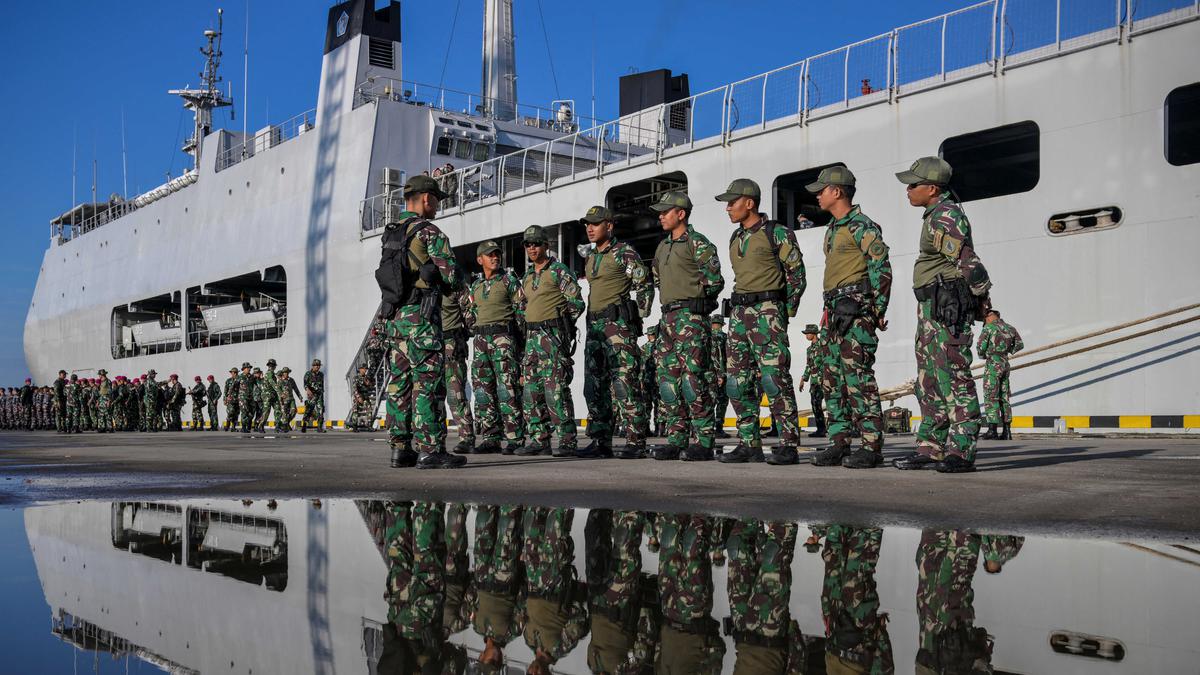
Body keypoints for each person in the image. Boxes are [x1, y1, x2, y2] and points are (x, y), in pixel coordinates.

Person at [893, 157, 992, 473]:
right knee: (930, 380)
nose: (908, 190)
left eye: (913, 184)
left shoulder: (945, 217)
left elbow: (970, 264)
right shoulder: (934, 215)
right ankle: (931, 447)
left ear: (932, 188)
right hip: (933, 308)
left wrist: (984, 309)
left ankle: (961, 451)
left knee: (954, 377)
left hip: (947, 309)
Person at [805, 166, 893, 469]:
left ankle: (871, 446)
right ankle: (839, 442)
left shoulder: (863, 226)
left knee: (859, 379)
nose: (818, 195)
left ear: (837, 191)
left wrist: (876, 310)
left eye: (822, 189)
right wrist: (825, 312)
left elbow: (881, 268)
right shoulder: (832, 228)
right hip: (834, 313)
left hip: (856, 313)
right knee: (832, 381)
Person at [376, 174, 466, 469]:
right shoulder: (429, 232)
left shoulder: (392, 232)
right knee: (428, 383)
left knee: (399, 384)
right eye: (436, 200)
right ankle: (430, 449)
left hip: (396, 319)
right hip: (422, 318)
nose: (438, 206)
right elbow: (452, 277)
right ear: (426, 198)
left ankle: (400, 448)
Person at [715, 178, 806, 464]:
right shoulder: (735, 237)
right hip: (739, 315)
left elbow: (796, 274)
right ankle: (749, 443)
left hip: (768, 312)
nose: (728, 208)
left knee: (773, 377)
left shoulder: (776, 232)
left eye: (733, 202)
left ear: (750, 203)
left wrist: (784, 312)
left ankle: (788, 443)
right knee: (737, 381)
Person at [648, 190, 725, 461]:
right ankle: (676, 438)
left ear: (680, 214)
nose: (660, 215)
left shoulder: (698, 243)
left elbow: (715, 280)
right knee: (668, 382)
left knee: (693, 378)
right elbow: (657, 277)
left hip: (690, 319)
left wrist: (699, 301)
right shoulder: (662, 246)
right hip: (667, 319)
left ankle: (703, 440)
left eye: (665, 211)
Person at [579, 205, 653, 459]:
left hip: (617, 328)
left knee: (625, 384)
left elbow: (644, 284)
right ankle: (601, 441)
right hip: (595, 330)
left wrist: (637, 318)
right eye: (587, 224)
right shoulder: (591, 257)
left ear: (609, 226)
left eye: (595, 223)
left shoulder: (624, 253)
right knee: (594, 387)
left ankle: (636, 442)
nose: (590, 228)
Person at [519, 225, 585, 457]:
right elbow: (522, 308)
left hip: (551, 338)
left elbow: (576, 302)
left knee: (555, 391)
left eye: (536, 243)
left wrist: (561, 328)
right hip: (531, 340)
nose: (532, 248)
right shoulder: (526, 277)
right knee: (531, 392)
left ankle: (567, 440)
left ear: (546, 246)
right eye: (528, 244)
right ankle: (539, 440)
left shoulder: (558, 271)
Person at [465, 239, 526, 454]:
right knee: (483, 391)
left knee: (506, 389)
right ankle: (490, 437)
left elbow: (521, 311)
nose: (495, 257)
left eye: (497, 254)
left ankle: (514, 438)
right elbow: (470, 314)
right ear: (480, 259)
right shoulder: (476, 286)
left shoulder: (509, 281)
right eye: (490, 254)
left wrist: (518, 342)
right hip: (481, 342)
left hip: (503, 340)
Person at [441, 279, 476, 454]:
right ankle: (432, 440)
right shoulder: (421, 284)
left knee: (456, 394)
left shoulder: (456, 285)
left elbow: (471, 316)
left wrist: (464, 333)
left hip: (451, 345)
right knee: (430, 395)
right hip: (427, 345)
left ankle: (467, 438)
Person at [977, 309, 1024, 440]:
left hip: (993, 364)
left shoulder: (989, 328)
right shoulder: (1010, 328)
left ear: (990, 317)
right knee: (1004, 396)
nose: (984, 321)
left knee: (991, 395)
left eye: (985, 319)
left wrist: (985, 355)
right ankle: (1007, 431)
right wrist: (1008, 351)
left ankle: (992, 430)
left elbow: (980, 347)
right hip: (1005, 363)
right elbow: (1020, 344)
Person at [799, 325, 828, 438]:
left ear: (814, 334)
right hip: (815, 382)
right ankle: (821, 429)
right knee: (816, 405)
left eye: (808, 333)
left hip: (825, 381)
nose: (806, 335)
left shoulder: (823, 346)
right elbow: (809, 365)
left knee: (833, 405)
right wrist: (803, 379)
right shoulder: (809, 349)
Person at [640, 325, 659, 439]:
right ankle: (659, 429)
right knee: (658, 405)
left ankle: (646, 428)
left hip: (646, 380)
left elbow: (640, 366)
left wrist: (640, 380)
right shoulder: (660, 347)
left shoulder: (643, 348)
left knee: (646, 405)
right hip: (657, 380)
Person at [301, 359, 326, 434]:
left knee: (321, 410)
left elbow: (322, 384)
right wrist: (308, 391)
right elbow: (305, 384)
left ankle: (319, 427)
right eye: (316, 365)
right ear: (313, 366)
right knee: (308, 410)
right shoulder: (308, 374)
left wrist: (322, 392)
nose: (317, 367)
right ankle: (304, 425)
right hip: (312, 395)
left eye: (318, 365)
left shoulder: (321, 374)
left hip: (319, 395)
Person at [351, 364, 375, 431]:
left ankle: (369, 426)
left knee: (369, 409)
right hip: (358, 396)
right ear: (360, 369)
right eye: (364, 369)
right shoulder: (356, 378)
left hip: (365, 396)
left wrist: (369, 384)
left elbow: (371, 387)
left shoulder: (367, 378)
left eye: (366, 369)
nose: (365, 370)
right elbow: (354, 388)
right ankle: (354, 426)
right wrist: (358, 397)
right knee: (355, 410)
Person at [277, 366, 303, 432]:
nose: (286, 374)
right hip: (284, 400)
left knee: (294, 411)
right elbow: (278, 389)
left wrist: (299, 396)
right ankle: (285, 427)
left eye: (287, 372)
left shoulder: (291, 380)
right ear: (283, 373)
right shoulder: (280, 381)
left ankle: (286, 424)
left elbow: (295, 389)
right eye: (285, 372)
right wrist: (281, 395)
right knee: (284, 413)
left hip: (291, 399)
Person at [237, 362, 254, 433]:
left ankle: (248, 427)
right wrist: (229, 396)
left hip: (250, 397)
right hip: (242, 397)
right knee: (244, 412)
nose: (249, 369)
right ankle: (243, 427)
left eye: (249, 368)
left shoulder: (251, 377)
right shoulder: (240, 377)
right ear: (244, 369)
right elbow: (233, 386)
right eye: (247, 368)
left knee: (250, 413)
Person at [223, 367, 239, 431]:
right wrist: (225, 399)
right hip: (230, 399)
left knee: (236, 413)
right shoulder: (228, 381)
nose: (233, 374)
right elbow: (225, 391)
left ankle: (233, 427)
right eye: (232, 372)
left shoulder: (239, 380)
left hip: (238, 399)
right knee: (230, 412)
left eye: (234, 372)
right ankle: (227, 425)